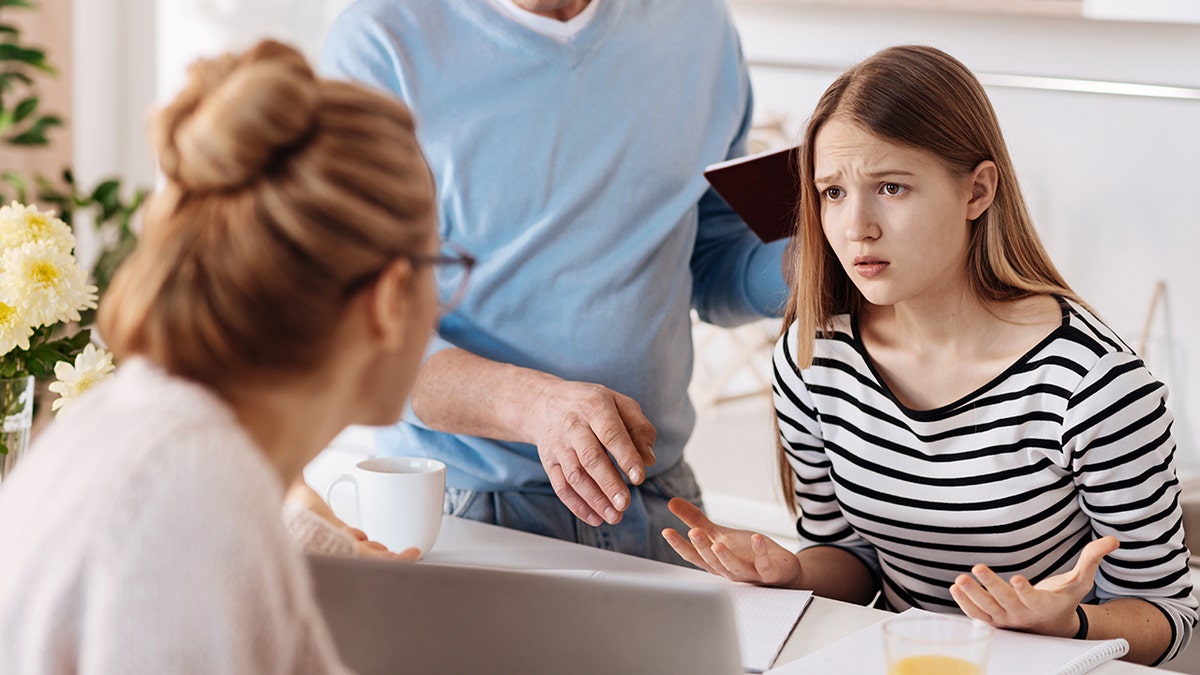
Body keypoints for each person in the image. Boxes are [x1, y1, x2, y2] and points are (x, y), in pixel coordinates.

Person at [663, 45, 1197, 665]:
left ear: (978, 191)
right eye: (832, 193)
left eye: (891, 186)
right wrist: (793, 574)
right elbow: (852, 558)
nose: (856, 225)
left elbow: (1168, 615)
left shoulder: (1095, 387)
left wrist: (1069, 621)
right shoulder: (814, 360)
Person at [0, 38, 462, 672]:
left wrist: (292, 537)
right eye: (439, 266)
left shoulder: (163, 442)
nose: (442, 305)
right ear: (388, 297)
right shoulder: (186, 499)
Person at [319, 0, 789, 562]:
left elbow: (712, 260)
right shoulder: (381, 41)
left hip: (660, 500)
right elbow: (360, 333)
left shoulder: (698, 24)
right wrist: (536, 407)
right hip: (471, 506)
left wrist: (814, 267)